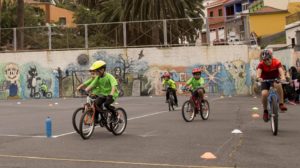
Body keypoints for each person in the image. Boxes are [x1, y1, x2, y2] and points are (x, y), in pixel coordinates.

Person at [256, 49, 287, 122]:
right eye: (265, 60)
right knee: (264, 94)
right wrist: (258, 78)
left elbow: (281, 71)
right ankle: (265, 111)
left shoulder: (276, 62)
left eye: (268, 59)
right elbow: (258, 74)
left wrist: (283, 77)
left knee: (278, 85)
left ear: (271, 57)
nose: (267, 61)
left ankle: (281, 104)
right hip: (265, 80)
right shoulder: (261, 64)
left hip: (275, 79)